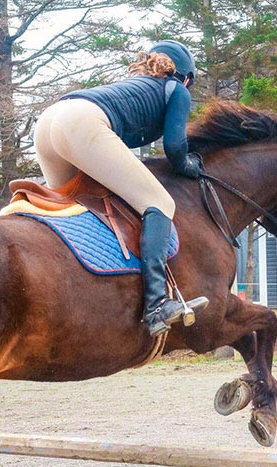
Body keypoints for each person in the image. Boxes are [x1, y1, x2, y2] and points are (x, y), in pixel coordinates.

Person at [33, 40, 204, 336]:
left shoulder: (137, 84)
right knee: (160, 204)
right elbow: (175, 148)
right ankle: (156, 305)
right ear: (186, 77)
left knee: (71, 210)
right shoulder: (176, 89)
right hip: (81, 123)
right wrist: (191, 167)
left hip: (49, 122)